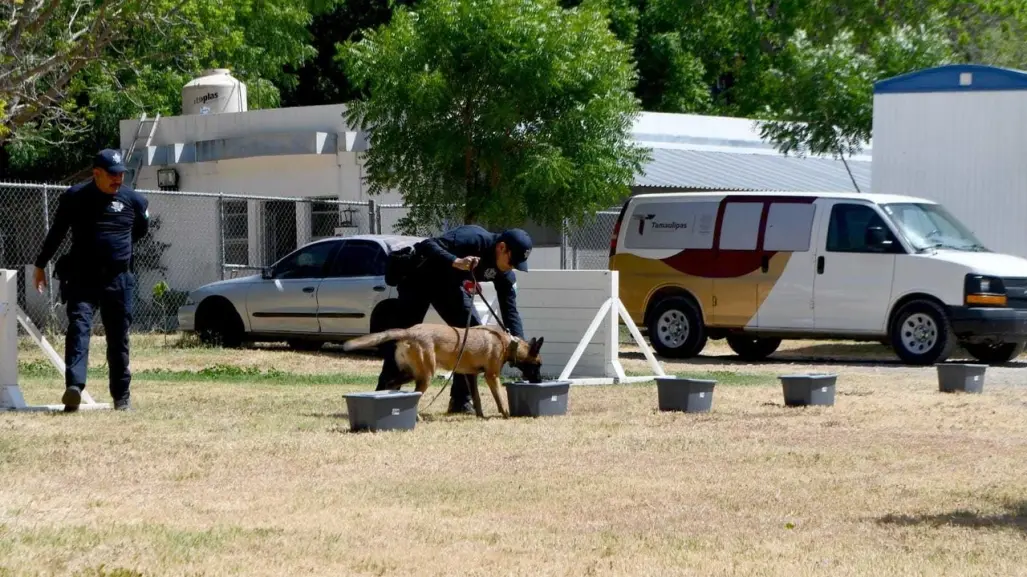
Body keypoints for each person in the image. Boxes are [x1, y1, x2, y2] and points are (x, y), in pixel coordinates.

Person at [33, 148, 151, 412]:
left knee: (118, 337)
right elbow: (57, 233)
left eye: (121, 174)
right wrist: (40, 264)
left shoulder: (135, 201)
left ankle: (122, 397)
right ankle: (74, 387)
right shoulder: (75, 197)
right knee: (79, 328)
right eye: (112, 175)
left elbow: (140, 231)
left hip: (118, 280)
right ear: (96, 174)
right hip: (82, 277)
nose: (118, 179)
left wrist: (117, 249)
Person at [377, 225, 532, 414]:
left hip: (448, 287)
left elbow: (511, 312)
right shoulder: (474, 237)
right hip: (419, 278)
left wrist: (522, 350)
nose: (512, 266)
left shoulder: (505, 274)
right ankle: (384, 397)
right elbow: (427, 245)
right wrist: (455, 260)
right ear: (501, 247)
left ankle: (460, 401)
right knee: (403, 337)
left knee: (473, 338)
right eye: (512, 260)